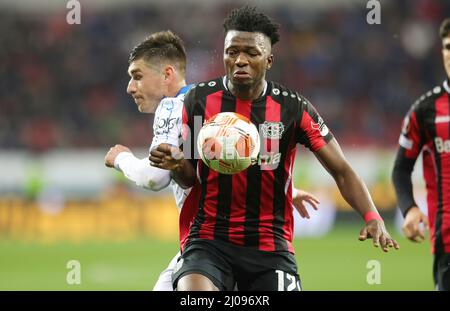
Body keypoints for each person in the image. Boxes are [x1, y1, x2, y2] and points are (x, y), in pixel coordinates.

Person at [150, 6, 399, 291]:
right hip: (209, 240)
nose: (240, 60)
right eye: (232, 52)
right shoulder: (198, 99)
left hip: (270, 246)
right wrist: (176, 162)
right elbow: (190, 179)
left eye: (251, 53)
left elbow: (341, 170)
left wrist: (372, 216)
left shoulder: (293, 107)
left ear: (268, 59)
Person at [104, 30, 321, 291]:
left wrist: (121, 159)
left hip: (210, 245)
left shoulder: (173, 106)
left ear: (167, 74)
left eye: (137, 77)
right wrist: (287, 191)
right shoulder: (217, 104)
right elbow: (235, 161)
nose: (130, 87)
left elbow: (155, 177)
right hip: (240, 247)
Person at [392, 18, 450, 291]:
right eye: (448, 47)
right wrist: (410, 209)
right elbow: (401, 169)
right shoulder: (424, 110)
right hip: (448, 242)